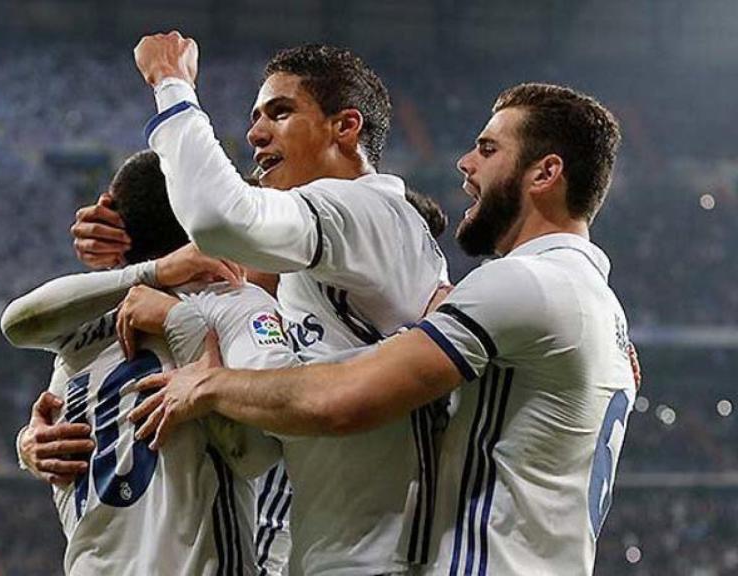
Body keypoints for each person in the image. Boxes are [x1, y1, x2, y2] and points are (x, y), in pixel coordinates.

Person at [132, 83, 636, 576]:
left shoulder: (525, 284)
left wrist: (210, 384)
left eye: (488, 148)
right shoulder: (599, 309)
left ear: (546, 173)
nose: (466, 163)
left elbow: (342, 400)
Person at [2, 150, 294, 575]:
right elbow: (259, 449)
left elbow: (20, 322)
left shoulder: (80, 332)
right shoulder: (234, 305)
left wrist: (156, 281)